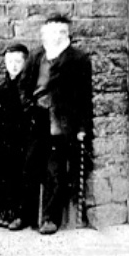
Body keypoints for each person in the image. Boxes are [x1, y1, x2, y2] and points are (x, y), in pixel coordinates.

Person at [25, 12, 93, 235]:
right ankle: (28, 215)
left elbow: (84, 97)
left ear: (67, 34)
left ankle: (50, 218)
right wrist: (29, 107)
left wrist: (82, 128)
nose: (56, 36)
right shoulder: (36, 57)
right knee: (32, 165)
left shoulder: (78, 59)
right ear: (44, 34)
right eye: (52, 31)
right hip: (38, 120)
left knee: (57, 172)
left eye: (61, 32)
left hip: (62, 123)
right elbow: (24, 87)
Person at [0, 42, 36, 231]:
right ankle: (6, 210)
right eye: (9, 61)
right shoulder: (3, 89)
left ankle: (21, 214)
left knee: (22, 175)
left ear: (25, 63)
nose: (13, 66)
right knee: (2, 172)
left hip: (24, 140)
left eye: (18, 61)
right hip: (5, 141)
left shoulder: (29, 87)